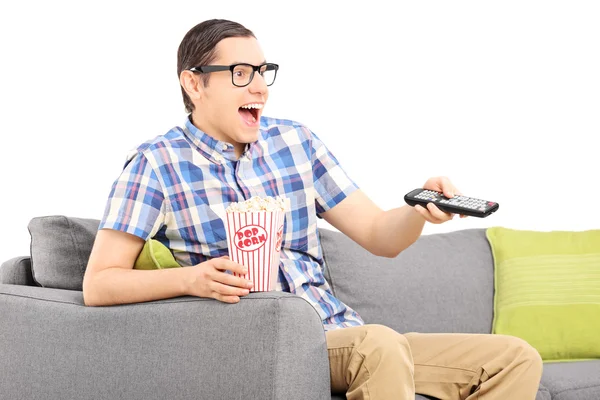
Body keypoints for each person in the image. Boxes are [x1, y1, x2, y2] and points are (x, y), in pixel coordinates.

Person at [82, 18, 543, 400]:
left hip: (339, 334)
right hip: (260, 340)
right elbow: (99, 284)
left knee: (514, 358)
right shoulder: (156, 164)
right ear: (193, 83)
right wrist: (191, 279)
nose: (260, 87)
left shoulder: (295, 142)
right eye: (241, 73)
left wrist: (417, 209)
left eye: (264, 71)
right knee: (379, 344)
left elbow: (381, 236)